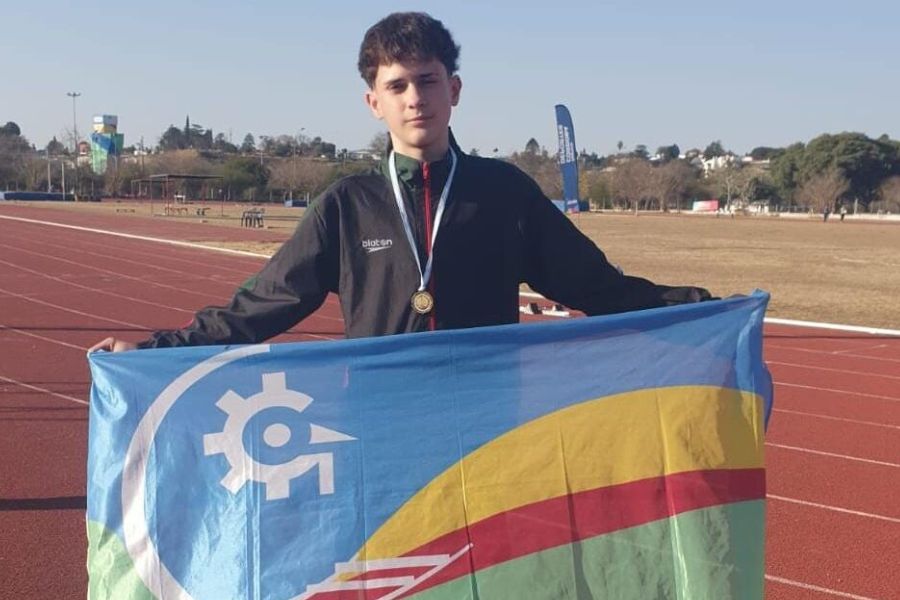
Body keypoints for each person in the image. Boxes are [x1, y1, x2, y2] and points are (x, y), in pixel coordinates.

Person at [90, 12, 712, 354]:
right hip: (385, 426)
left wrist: (701, 307)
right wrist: (156, 350)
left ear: (455, 90)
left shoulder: (505, 193)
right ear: (373, 103)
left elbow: (596, 286)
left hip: (490, 426)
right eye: (398, 86)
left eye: (429, 80)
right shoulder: (346, 206)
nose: (416, 98)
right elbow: (260, 308)